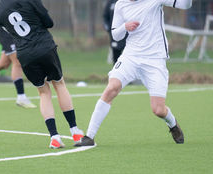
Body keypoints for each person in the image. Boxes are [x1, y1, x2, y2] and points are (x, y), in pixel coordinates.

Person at [78, 0, 192, 147]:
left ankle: (173, 124)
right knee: (111, 88)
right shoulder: (120, 4)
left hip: (155, 60)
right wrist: (125, 27)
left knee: (158, 110)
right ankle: (89, 136)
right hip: (131, 56)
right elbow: (116, 35)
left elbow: (185, 5)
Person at [0, 0, 84, 148]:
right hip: (44, 47)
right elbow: (49, 22)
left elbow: (10, 32)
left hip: (24, 54)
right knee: (59, 84)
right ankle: (75, 132)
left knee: (43, 92)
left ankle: (54, 137)